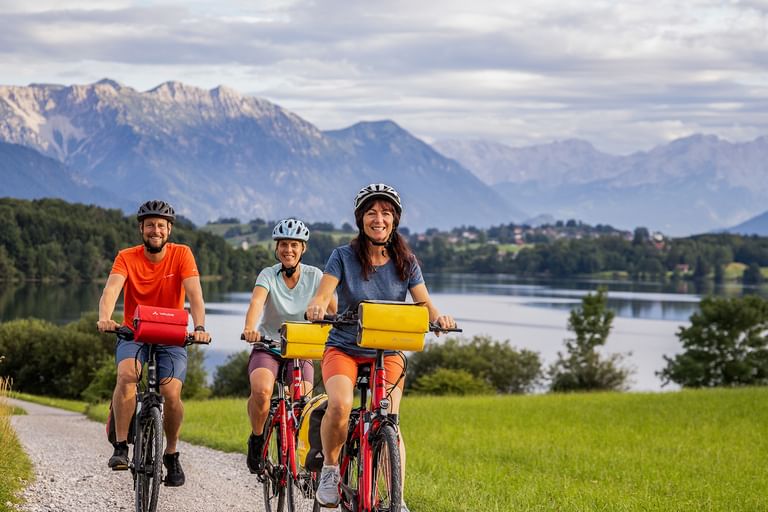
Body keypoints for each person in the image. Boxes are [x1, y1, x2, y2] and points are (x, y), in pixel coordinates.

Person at [305, 183, 455, 510]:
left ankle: (396, 496)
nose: (379, 218)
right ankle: (330, 470)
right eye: (372, 212)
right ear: (361, 219)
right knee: (341, 404)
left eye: (386, 213)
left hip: (387, 353)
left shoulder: (406, 260)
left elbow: (424, 302)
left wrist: (439, 318)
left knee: (390, 419)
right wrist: (317, 306)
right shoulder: (342, 256)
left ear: (394, 220)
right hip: (344, 348)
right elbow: (323, 293)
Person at [96, 199, 211, 487]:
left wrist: (199, 327)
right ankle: (121, 446)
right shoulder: (126, 257)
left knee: (170, 393)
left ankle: (170, 453)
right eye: (150, 225)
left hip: (171, 335)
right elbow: (111, 290)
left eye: (161, 225)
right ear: (141, 229)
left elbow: (195, 295)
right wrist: (105, 317)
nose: (155, 230)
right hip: (134, 333)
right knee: (126, 376)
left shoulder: (182, 254)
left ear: (169, 230)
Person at [241, 218, 336, 473]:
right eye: (283, 244)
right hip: (268, 345)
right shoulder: (268, 274)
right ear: (277, 247)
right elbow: (256, 303)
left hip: (301, 348)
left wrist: (339, 326)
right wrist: (250, 328)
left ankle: (302, 458)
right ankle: (258, 437)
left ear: (303, 248)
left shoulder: (316, 276)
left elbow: (334, 310)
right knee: (261, 391)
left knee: (303, 403)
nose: (288, 250)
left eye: (294, 245)